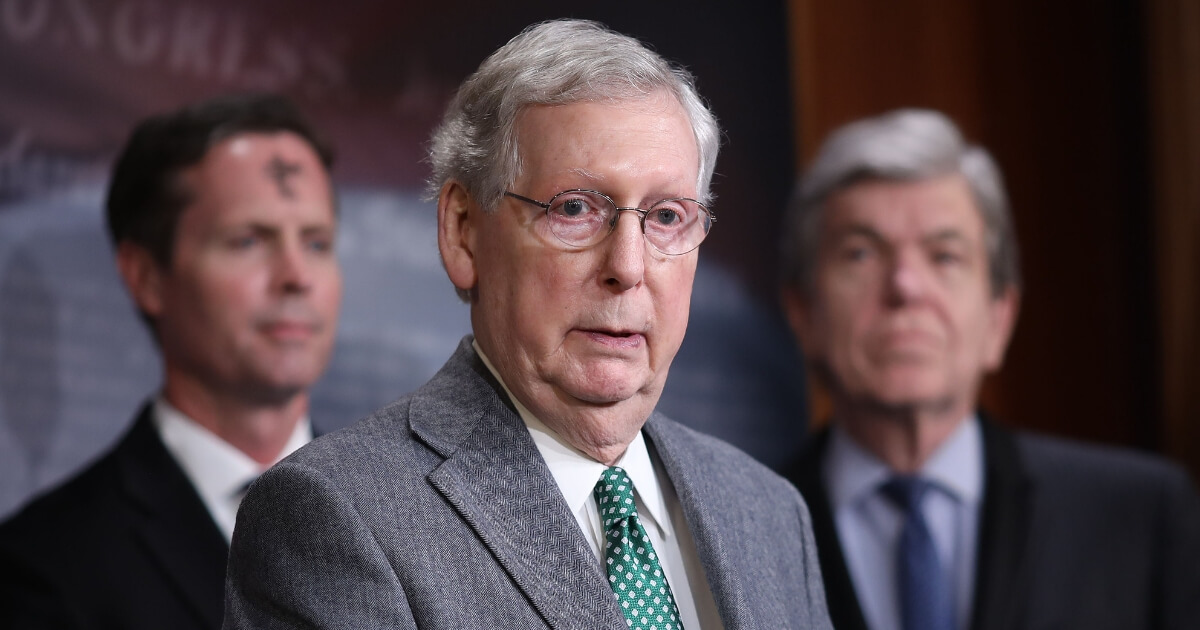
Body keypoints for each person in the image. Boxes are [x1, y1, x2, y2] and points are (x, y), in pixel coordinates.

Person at [224, 19, 833, 630]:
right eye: (574, 209)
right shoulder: (334, 516)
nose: (627, 267)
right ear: (463, 232)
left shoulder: (770, 512)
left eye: (666, 215)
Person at [780, 108, 1200, 630]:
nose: (906, 287)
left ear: (1000, 318)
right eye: (861, 253)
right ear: (803, 314)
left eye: (945, 256)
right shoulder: (735, 527)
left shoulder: (1142, 516)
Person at [0, 93, 343, 630]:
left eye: (317, 243)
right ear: (146, 277)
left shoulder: (418, 526)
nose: (297, 275)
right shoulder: (42, 566)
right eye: (249, 240)